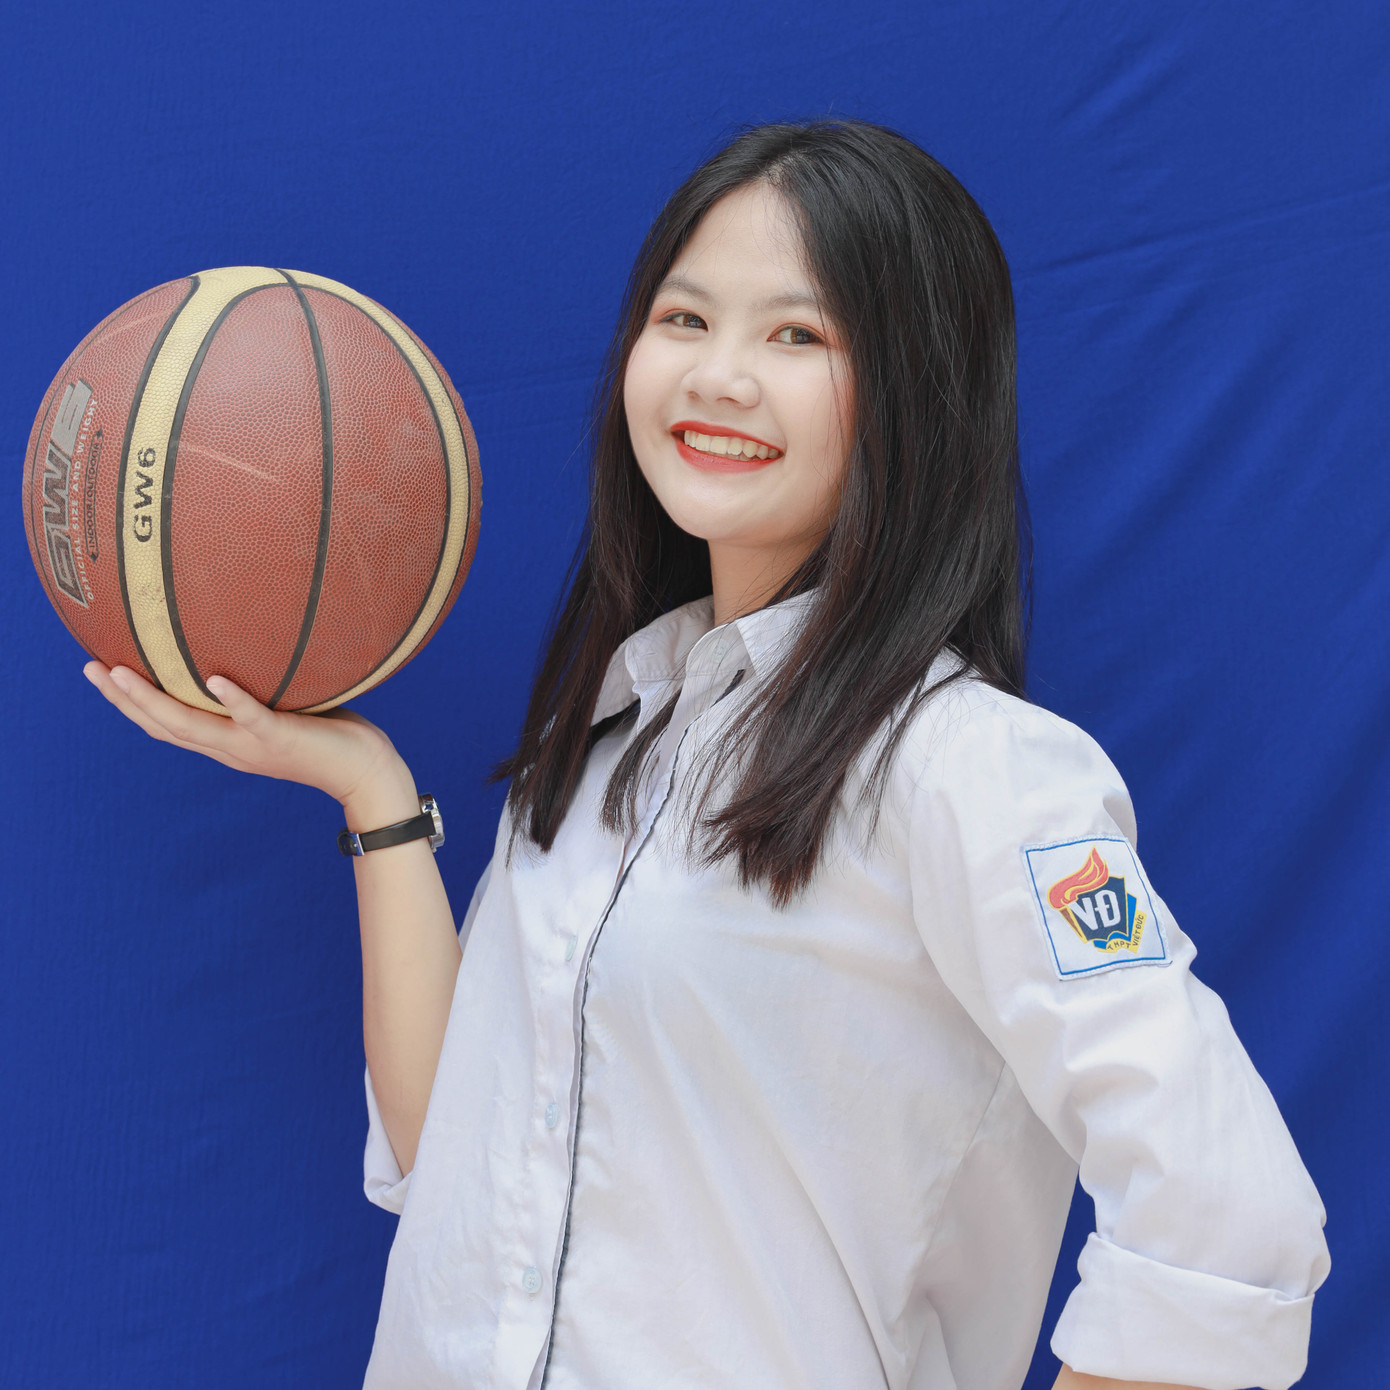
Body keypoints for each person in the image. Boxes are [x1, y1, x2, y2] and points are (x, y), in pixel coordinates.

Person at [84, 119, 1328, 1390]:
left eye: (797, 335)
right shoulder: (609, 739)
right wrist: (371, 790)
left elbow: (1228, 1221)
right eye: (683, 319)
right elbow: (455, 1158)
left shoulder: (975, 772)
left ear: (918, 389)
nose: (717, 375)